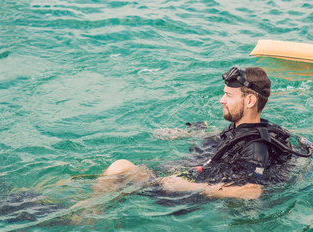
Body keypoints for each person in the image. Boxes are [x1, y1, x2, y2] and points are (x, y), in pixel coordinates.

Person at [94, 66, 297, 200]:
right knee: (118, 172)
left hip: (186, 189)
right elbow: (226, 143)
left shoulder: (255, 147)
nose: (222, 100)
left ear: (250, 101)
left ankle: (87, 215)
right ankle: (89, 210)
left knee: (120, 168)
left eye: (228, 95)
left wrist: (186, 187)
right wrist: (185, 134)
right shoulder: (241, 130)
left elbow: (253, 191)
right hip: (187, 175)